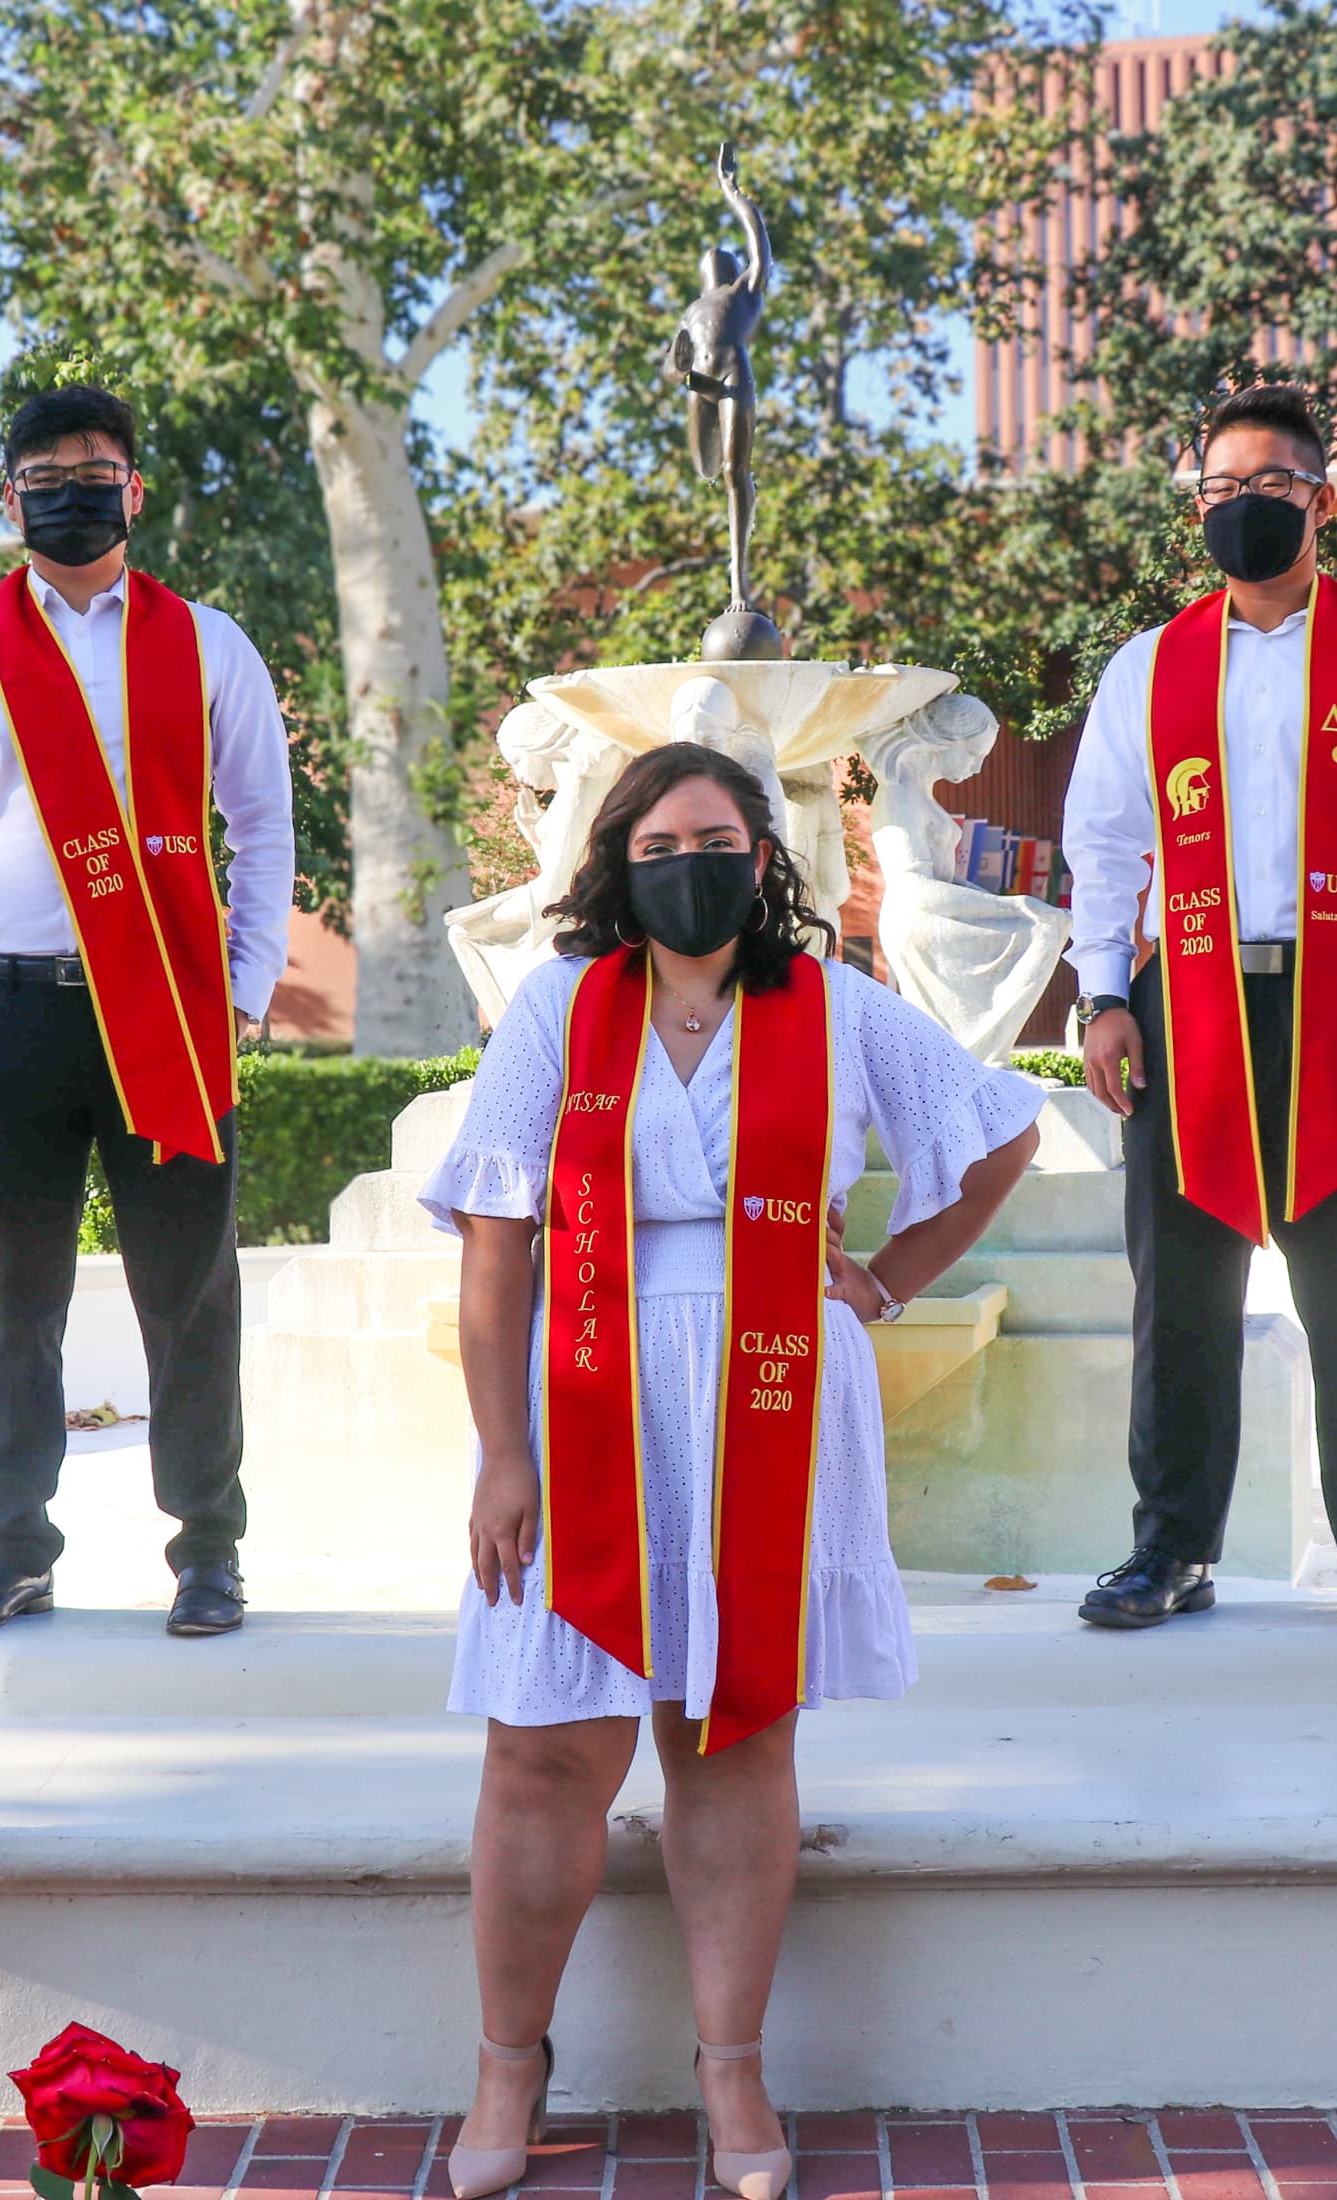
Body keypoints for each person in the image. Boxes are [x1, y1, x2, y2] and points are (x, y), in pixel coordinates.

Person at [427, 744, 1041, 2200]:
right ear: (616, 863)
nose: (685, 863)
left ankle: (733, 2071)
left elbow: (996, 1135)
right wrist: (503, 1452)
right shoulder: (559, 1009)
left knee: (737, 1733)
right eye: (655, 843)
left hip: (775, 1394)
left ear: (764, 859)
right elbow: (497, 1238)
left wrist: (885, 1279)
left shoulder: (833, 1008)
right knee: (544, 1747)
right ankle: (508, 2067)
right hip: (590, 1394)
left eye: (713, 837)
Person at [1060, 382, 1337, 1634]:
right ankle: (1171, 1546)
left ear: (1323, 504)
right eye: (1222, 492)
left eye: (1273, 490)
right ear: (1198, 507)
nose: (1246, 510)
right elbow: (1104, 838)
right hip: (1181, 998)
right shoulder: (1150, 666)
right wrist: (1097, 995)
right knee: (1177, 1285)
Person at [0, 383, 296, 1638]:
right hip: (5, 1014)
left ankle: (208, 1552)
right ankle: (13, 1546)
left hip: (169, 1009)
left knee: (189, 1290)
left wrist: (246, 984)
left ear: (135, 487)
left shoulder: (209, 642)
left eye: (97, 467)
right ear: (8, 499)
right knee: (19, 1293)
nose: (74, 488)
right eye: (46, 472)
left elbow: (262, 822)